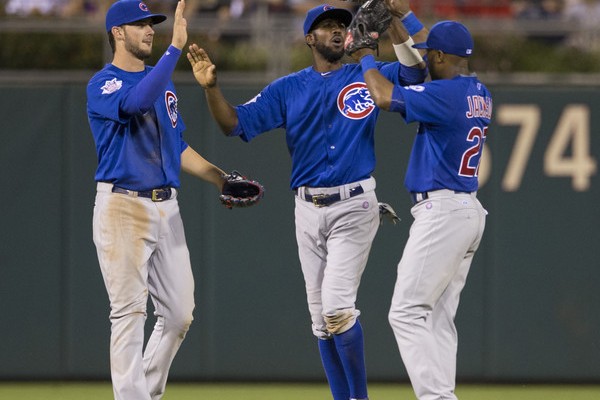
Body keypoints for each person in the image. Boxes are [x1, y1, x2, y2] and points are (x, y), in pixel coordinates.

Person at [185, 3, 427, 400]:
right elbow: (233, 124)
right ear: (308, 38)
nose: (336, 30)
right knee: (320, 322)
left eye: (341, 25)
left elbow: (416, 73)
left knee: (336, 309)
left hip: (354, 203)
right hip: (307, 209)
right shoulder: (288, 88)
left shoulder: (367, 75)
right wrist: (212, 88)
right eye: (326, 25)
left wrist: (397, 25)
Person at [86, 1, 228, 399]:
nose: (150, 30)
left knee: (181, 313)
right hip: (122, 205)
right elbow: (135, 104)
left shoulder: (159, 79)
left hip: (167, 207)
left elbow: (176, 146)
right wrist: (174, 49)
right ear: (117, 32)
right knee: (129, 312)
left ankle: (144, 392)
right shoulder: (103, 83)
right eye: (139, 24)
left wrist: (220, 178)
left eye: (152, 24)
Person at [348, 8, 491, 400]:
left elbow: (381, 96)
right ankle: (442, 393)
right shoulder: (477, 90)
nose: (424, 56)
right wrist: (399, 17)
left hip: (443, 210)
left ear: (442, 57)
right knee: (438, 318)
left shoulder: (446, 96)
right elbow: (433, 49)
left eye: (430, 53)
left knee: (406, 313)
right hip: (467, 211)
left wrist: (364, 55)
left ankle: (438, 398)